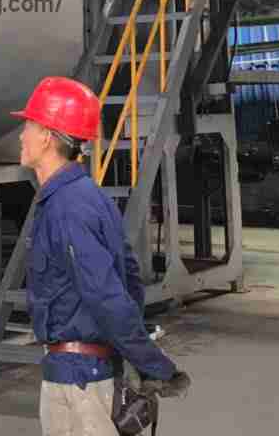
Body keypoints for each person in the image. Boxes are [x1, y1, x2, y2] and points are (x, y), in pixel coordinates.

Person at [15, 75, 192, 436]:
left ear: (47, 136)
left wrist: (152, 364)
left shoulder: (66, 208)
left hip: (77, 382)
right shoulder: (88, 196)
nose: (21, 136)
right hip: (85, 371)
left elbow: (106, 294)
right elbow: (130, 280)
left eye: (28, 126)